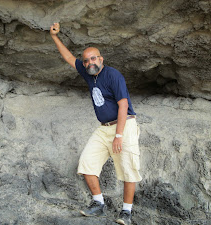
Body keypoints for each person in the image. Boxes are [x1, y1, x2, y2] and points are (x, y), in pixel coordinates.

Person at [50, 22, 142, 225]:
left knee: (128, 169)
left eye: (93, 58)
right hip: (104, 128)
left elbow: (123, 105)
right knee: (86, 163)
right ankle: (98, 204)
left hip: (124, 125)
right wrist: (55, 37)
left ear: (101, 59)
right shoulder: (87, 73)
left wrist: (119, 135)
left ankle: (126, 212)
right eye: (86, 60)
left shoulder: (113, 75)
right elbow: (68, 58)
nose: (90, 62)